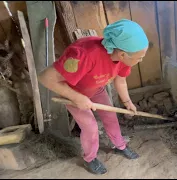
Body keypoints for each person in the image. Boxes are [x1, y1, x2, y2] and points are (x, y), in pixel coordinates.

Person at [38, 19, 149, 174]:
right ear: (123, 54)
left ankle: (120, 146)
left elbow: (121, 80)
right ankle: (90, 158)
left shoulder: (123, 59)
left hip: (95, 89)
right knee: (90, 127)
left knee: (110, 116)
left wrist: (127, 102)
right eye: (139, 57)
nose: (141, 60)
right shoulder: (83, 55)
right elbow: (45, 77)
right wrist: (77, 98)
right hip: (73, 94)